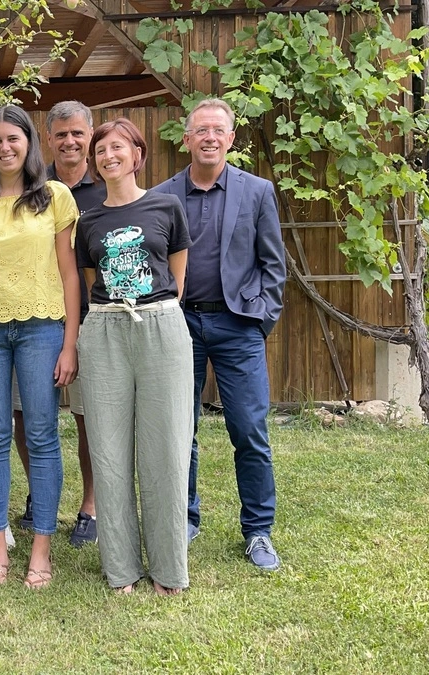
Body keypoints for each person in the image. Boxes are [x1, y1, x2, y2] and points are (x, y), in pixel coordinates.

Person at [154, 97, 286, 572]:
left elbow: (274, 264)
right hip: (178, 324)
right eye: (200, 130)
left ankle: (258, 531)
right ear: (186, 139)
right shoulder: (163, 196)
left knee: (249, 430)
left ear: (231, 139)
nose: (209, 137)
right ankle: (183, 519)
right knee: (177, 431)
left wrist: (260, 319)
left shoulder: (257, 192)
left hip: (238, 326)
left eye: (218, 130)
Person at [0, 105, 81, 590]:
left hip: (42, 329)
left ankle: (42, 549)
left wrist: (69, 342)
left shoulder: (54, 197)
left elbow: (70, 274)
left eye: (14, 139)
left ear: (29, 142)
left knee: (44, 436)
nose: (5, 148)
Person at [76, 118, 192, 595]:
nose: (109, 156)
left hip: (161, 325)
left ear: (137, 154)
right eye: (101, 150)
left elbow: (178, 277)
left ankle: (168, 570)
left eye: (118, 147)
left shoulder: (167, 206)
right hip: (104, 330)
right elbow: (90, 283)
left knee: (166, 447)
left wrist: (155, 313)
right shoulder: (88, 222)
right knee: (108, 448)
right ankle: (121, 567)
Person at [11, 100, 104, 548]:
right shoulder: (30, 189)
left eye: (77, 133)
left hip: (93, 321)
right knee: (24, 415)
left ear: (90, 135)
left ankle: (90, 505)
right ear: (48, 139)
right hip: (31, 321)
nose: (69, 141)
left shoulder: (108, 187)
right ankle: (39, 495)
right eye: (61, 134)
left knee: (90, 417)